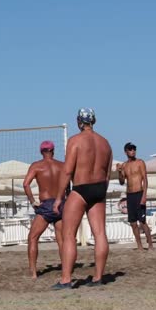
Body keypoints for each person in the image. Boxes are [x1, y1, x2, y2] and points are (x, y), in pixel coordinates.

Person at [52, 108, 113, 289]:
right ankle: (98, 277)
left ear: (79, 121)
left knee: (69, 235)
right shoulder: (105, 143)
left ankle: (66, 279)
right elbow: (108, 175)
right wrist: (100, 191)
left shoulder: (75, 141)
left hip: (81, 188)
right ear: (94, 121)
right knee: (100, 234)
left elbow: (67, 171)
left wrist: (59, 198)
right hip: (100, 188)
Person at [23, 140, 68, 279]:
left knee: (32, 237)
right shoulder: (62, 165)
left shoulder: (37, 166)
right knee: (61, 240)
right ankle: (66, 269)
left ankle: (33, 272)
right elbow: (69, 184)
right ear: (53, 151)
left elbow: (26, 184)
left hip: (47, 204)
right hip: (61, 203)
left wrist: (32, 201)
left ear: (41, 152)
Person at [117, 142, 153, 251]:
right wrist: (119, 172)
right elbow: (122, 182)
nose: (133, 151)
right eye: (130, 149)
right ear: (126, 152)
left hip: (139, 193)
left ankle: (150, 245)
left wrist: (144, 196)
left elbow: (145, 180)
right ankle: (140, 246)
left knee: (142, 222)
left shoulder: (140, 162)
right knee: (133, 223)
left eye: (134, 149)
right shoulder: (124, 165)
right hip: (130, 195)